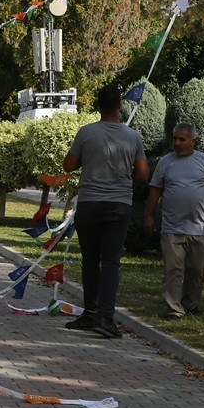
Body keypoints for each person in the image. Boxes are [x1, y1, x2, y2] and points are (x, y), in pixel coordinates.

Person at [61, 84, 150, 339]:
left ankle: (90, 313)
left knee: (90, 260)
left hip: (89, 203)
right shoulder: (132, 137)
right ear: (120, 106)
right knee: (110, 262)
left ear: (97, 106)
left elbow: (68, 165)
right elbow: (143, 174)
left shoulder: (86, 133)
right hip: (118, 205)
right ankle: (105, 319)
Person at [142, 123, 204, 319]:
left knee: (196, 270)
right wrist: (148, 215)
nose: (177, 143)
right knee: (173, 269)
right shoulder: (165, 161)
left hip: (200, 227)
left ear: (192, 141)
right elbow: (155, 189)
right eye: (175, 139)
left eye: (182, 139)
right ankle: (173, 308)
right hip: (172, 227)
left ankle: (191, 304)